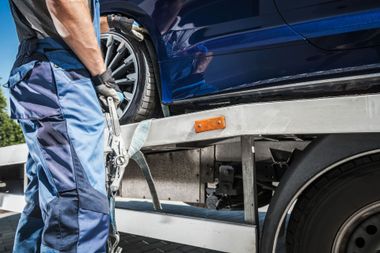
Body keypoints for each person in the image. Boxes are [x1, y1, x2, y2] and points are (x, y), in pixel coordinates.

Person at [7, 0, 122, 252]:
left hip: (39, 68)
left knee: (44, 201)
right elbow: (63, 4)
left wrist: (111, 22)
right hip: (61, 74)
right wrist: (100, 72)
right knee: (80, 205)